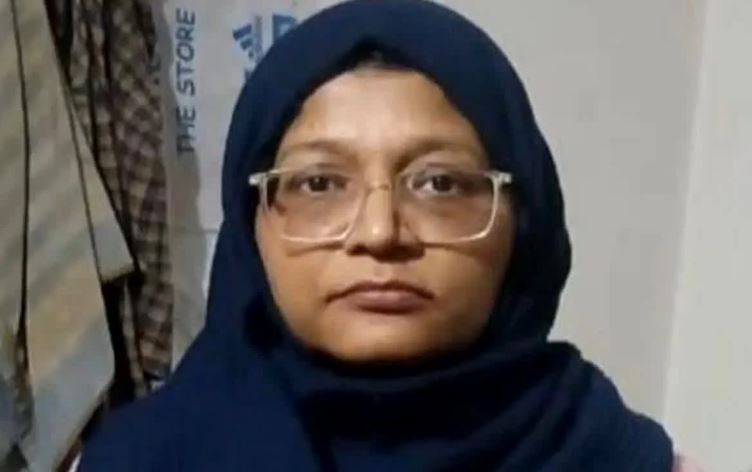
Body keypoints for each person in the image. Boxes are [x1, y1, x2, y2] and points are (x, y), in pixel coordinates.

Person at [79, 0, 697, 470]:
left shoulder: (616, 457)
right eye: (319, 183)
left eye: (440, 184)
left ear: (524, 219)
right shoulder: (139, 461)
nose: (379, 234)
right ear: (252, 223)